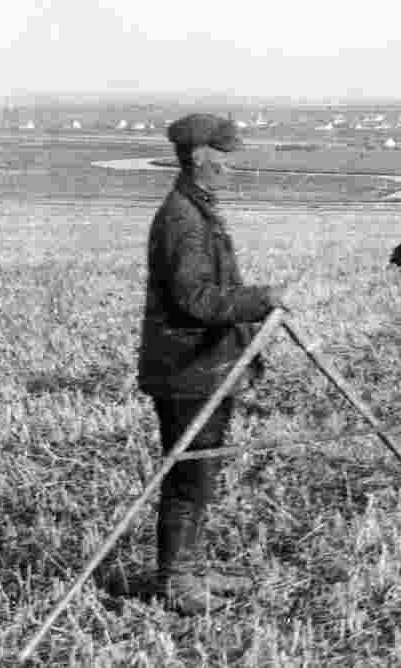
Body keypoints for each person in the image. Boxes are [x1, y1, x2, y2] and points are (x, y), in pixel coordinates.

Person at [136, 113, 286, 614]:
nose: (230, 167)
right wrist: (258, 299)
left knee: (200, 475)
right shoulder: (183, 218)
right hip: (187, 368)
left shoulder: (197, 209)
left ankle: (191, 569)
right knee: (188, 477)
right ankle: (176, 582)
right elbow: (194, 299)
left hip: (203, 365)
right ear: (199, 156)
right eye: (223, 158)